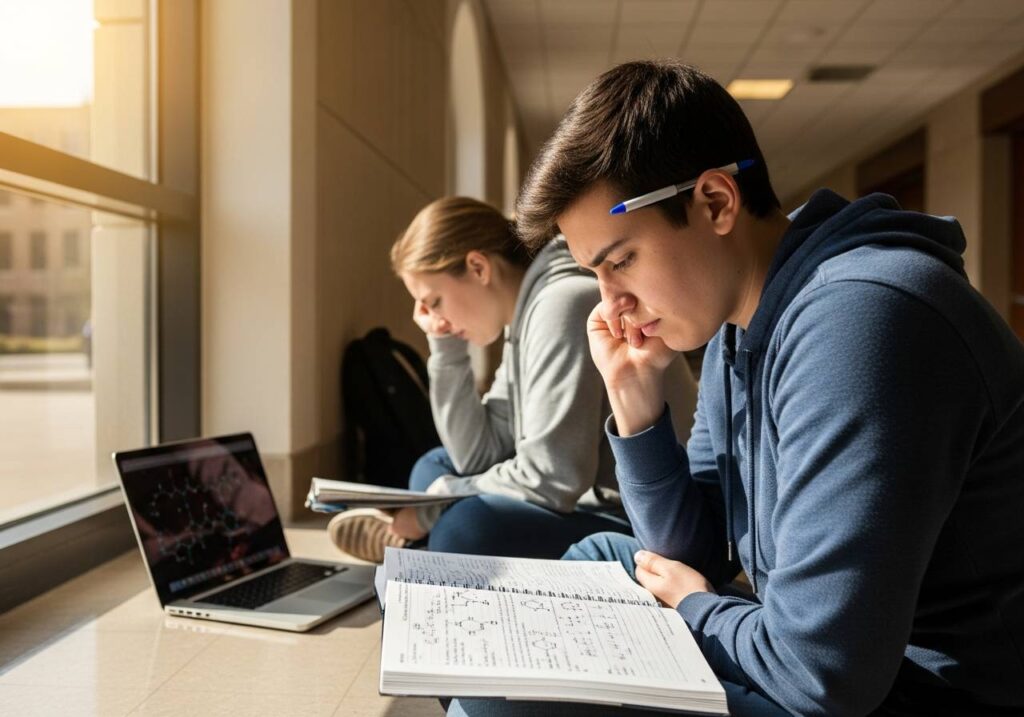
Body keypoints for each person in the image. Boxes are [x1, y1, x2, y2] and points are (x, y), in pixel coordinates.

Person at [451, 61, 1024, 716]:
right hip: (814, 653)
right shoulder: (740, 320)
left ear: (717, 201)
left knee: (514, 698)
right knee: (596, 563)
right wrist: (637, 411)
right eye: (596, 274)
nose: (611, 304)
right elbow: (695, 550)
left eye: (621, 262)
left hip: (918, 693)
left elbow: (823, 674)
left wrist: (696, 607)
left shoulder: (861, 317)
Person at [328, 196, 698, 563]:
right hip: (578, 494)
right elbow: (475, 456)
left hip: (639, 518)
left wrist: (434, 507)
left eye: (434, 301)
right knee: (434, 467)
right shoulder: (524, 317)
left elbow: (554, 479)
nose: (430, 318)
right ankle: (420, 547)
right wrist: (444, 345)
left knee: (463, 528)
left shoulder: (562, 305)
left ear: (478, 267)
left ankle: (418, 545)